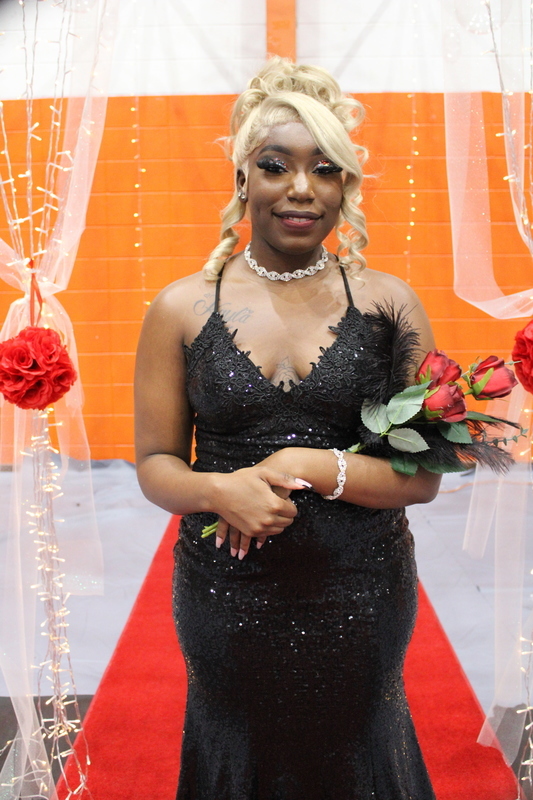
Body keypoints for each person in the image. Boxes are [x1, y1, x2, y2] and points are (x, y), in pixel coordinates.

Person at [134, 58, 440, 800]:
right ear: (243, 178)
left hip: (360, 592)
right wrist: (219, 491)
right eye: (276, 166)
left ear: (345, 187)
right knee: (236, 748)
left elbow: (423, 477)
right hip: (226, 596)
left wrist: (315, 463)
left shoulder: (390, 305)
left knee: (358, 751)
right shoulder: (180, 308)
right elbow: (155, 463)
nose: (301, 188)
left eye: (324, 169)